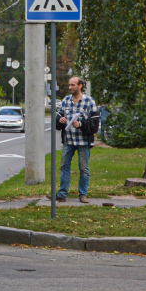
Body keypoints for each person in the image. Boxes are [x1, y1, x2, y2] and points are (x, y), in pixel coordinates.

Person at [55, 75, 98, 203]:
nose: (70, 87)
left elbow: (94, 125)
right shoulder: (66, 101)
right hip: (68, 140)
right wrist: (60, 120)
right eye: (69, 85)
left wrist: (81, 124)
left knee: (84, 169)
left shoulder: (89, 101)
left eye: (73, 85)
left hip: (83, 141)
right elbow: (57, 120)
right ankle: (62, 194)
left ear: (80, 86)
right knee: (64, 166)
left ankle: (83, 194)